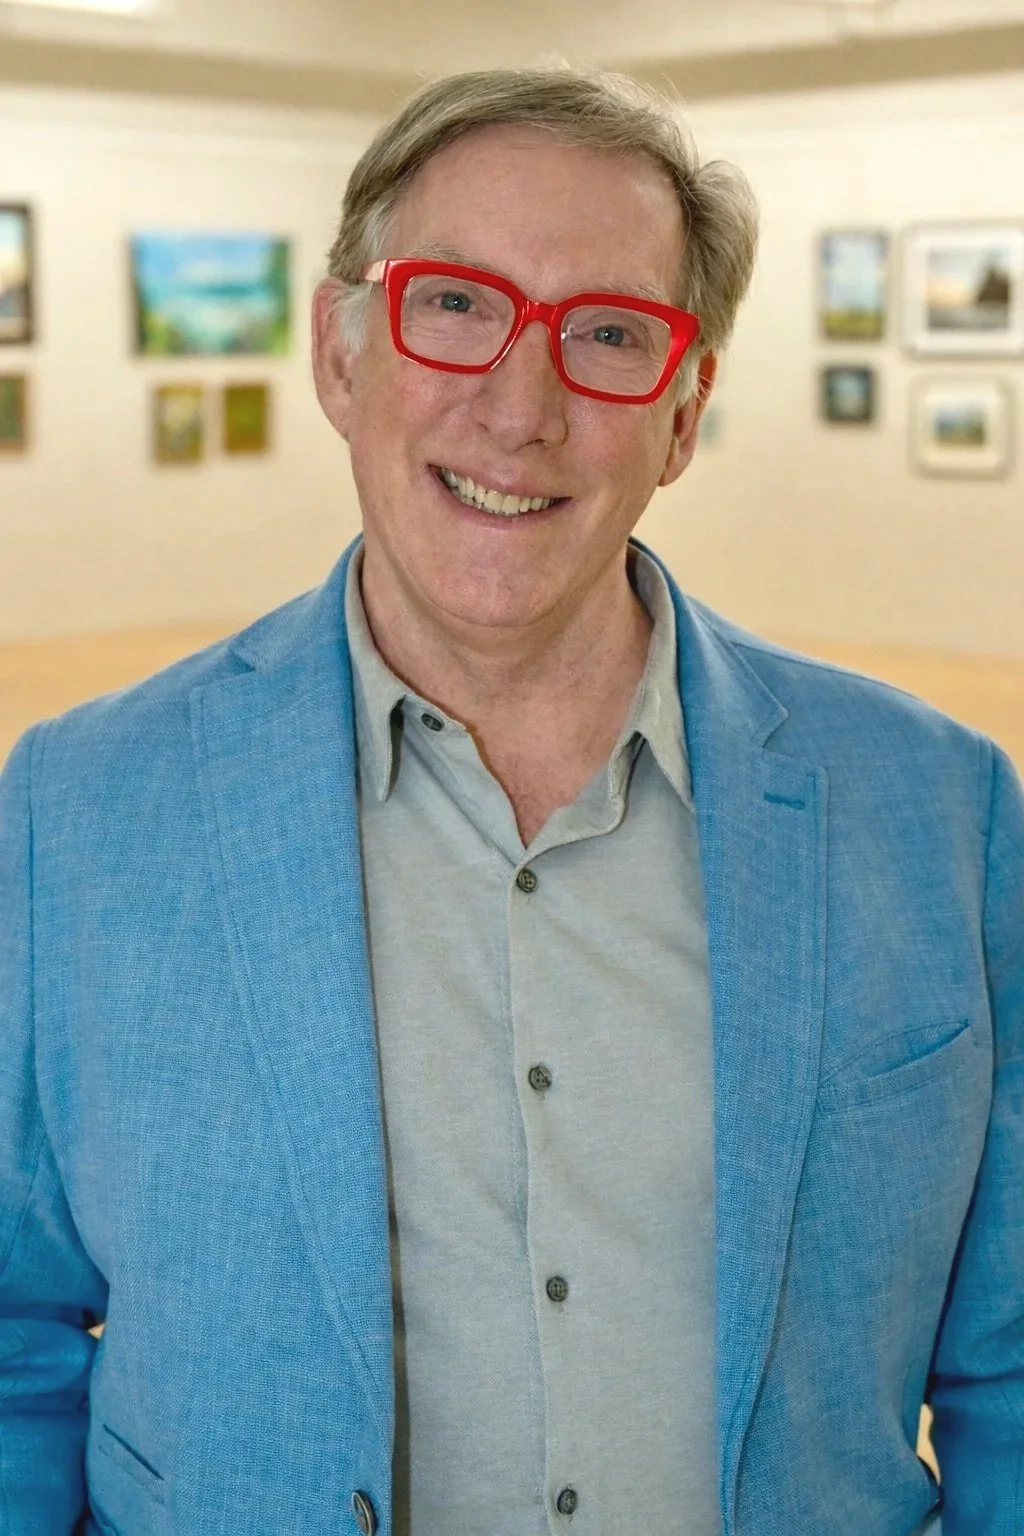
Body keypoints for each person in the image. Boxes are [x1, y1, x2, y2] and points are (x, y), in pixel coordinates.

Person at [0, 63, 1021, 1536]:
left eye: (609, 332)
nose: (520, 405)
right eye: (457, 305)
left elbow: (1011, 1366)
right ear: (341, 355)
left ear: (681, 414)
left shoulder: (944, 816)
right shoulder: (77, 816)